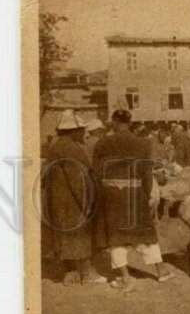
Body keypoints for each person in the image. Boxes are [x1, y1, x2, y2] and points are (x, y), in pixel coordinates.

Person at [93, 109, 171, 290]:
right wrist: (145, 195)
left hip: (111, 193)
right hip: (135, 191)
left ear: (113, 122)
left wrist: (101, 194)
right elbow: (146, 173)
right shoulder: (143, 143)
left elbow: (96, 172)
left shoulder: (102, 143)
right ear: (130, 122)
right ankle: (161, 272)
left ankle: (126, 278)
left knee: (115, 236)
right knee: (144, 232)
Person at [43, 110, 106, 286]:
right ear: (73, 130)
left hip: (59, 200)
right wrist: (89, 202)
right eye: (82, 130)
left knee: (65, 237)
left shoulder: (57, 145)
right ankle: (87, 274)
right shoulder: (69, 148)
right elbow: (78, 180)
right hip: (71, 201)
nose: (84, 133)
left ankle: (70, 274)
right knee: (79, 235)